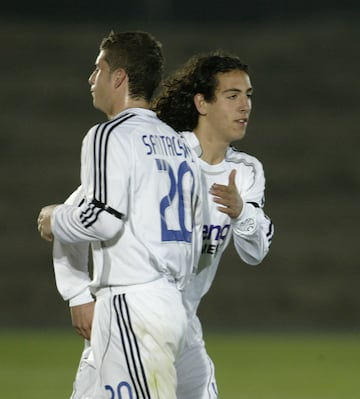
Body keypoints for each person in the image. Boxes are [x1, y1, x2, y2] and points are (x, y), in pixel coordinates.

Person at [37, 31, 203, 399]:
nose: (91, 78)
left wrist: (54, 218)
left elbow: (101, 218)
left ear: (119, 77)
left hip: (132, 304)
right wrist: (79, 293)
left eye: (98, 68)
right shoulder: (179, 144)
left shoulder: (109, 135)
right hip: (165, 302)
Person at [153, 52, 274, 399]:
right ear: (201, 103)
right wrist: (79, 294)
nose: (244, 106)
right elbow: (91, 206)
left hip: (184, 324)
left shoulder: (246, 171)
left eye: (248, 96)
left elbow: (255, 253)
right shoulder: (163, 155)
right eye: (232, 96)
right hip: (137, 316)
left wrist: (241, 212)